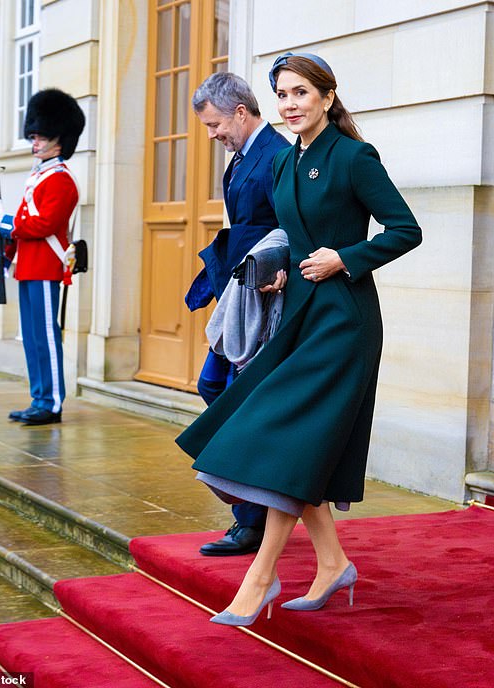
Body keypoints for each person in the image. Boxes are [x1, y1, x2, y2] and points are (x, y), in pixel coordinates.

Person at [176, 53, 422, 626]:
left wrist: (347, 258)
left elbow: (406, 229)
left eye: (301, 94)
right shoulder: (286, 165)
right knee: (285, 437)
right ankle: (332, 562)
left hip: (344, 322)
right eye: (282, 95)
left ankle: (260, 577)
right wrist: (280, 263)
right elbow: (290, 233)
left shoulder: (354, 157)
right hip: (298, 315)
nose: (290, 104)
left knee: (290, 441)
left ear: (327, 98)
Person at [186, 72, 290, 556]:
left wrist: (282, 267)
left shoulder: (278, 156)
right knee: (213, 388)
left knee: (236, 401)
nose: (213, 135)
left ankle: (252, 520)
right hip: (238, 294)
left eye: (214, 125)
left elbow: (295, 226)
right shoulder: (242, 159)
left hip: (264, 302)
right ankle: (255, 507)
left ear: (241, 112)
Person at [0, 88, 85, 426]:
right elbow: (27, 226)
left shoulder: (61, 179)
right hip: (28, 266)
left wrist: (7, 222)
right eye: (34, 135)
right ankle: (38, 397)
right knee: (31, 338)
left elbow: (43, 223)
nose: (35, 140)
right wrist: (6, 243)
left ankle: (52, 403)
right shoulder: (39, 175)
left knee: (45, 335)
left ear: (59, 140)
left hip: (46, 267)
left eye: (41, 136)